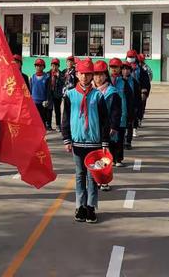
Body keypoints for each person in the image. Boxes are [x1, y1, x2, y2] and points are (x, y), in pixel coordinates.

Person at [62, 59, 110, 224]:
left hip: (94, 144)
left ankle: (91, 207)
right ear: (76, 74)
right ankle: (80, 206)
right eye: (82, 74)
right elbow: (65, 119)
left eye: (88, 74)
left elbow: (105, 120)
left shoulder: (98, 96)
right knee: (79, 175)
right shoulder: (69, 95)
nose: (85, 77)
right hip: (77, 143)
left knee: (92, 177)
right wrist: (67, 139)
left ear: (92, 76)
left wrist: (105, 142)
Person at [92, 60, 121, 190]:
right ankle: (94, 179)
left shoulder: (112, 92)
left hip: (105, 129)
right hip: (91, 129)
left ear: (105, 75)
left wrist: (113, 127)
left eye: (101, 74)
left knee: (104, 156)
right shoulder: (89, 90)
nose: (98, 77)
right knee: (93, 156)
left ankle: (104, 181)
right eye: (96, 74)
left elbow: (116, 112)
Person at [108, 58, 130, 167]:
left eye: (116, 67)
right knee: (110, 138)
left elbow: (130, 99)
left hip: (122, 115)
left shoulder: (124, 83)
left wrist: (130, 114)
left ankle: (118, 159)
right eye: (112, 67)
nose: (114, 69)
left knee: (120, 138)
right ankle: (111, 158)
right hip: (109, 115)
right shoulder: (105, 82)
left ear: (120, 68)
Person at [126, 50, 151, 129]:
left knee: (137, 110)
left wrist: (145, 92)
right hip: (125, 93)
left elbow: (146, 82)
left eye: (132, 57)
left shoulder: (141, 69)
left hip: (137, 93)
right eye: (129, 57)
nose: (130, 59)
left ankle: (135, 125)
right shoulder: (123, 68)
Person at [122, 61, 141, 150]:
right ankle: (121, 141)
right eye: (123, 69)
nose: (125, 71)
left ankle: (128, 142)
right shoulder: (118, 81)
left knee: (129, 124)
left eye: (127, 69)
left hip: (130, 106)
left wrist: (137, 107)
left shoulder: (134, 82)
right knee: (121, 126)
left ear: (130, 70)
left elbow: (137, 96)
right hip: (121, 107)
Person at [30, 58, 52, 130]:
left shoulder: (47, 77)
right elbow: (30, 89)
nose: (38, 67)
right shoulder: (32, 77)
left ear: (43, 67)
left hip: (43, 102)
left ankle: (43, 135)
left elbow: (48, 90)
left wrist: (47, 100)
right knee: (35, 119)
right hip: (34, 102)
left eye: (40, 66)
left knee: (42, 119)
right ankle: (36, 134)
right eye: (37, 65)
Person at [49, 58, 65, 132]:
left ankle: (58, 125)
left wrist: (59, 76)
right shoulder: (48, 73)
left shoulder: (61, 74)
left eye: (56, 65)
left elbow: (64, 83)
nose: (54, 67)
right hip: (50, 94)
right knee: (49, 109)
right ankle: (48, 124)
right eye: (53, 65)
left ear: (58, 66)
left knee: (57, 110)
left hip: (57, 95)